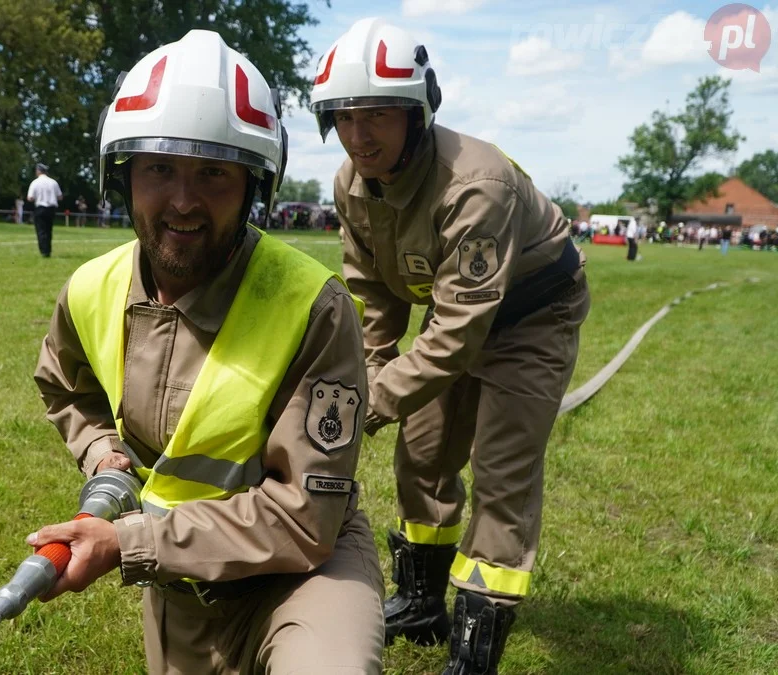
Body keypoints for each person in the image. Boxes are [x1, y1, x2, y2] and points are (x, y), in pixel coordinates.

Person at [29, 30, 385, 674]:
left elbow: (306, 519)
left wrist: (127, 541)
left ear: (254, 187)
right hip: (183, 587)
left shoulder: (312, 306)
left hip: (305, 574)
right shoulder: (91, 290)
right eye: (160, 168)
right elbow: (64, 387)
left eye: (214, 173)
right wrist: (105, 457)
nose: (184, 202)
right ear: (125, 176)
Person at [310, 19, 591, 673]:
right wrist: (368, 373)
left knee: (503, 474)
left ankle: (476, 645)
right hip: (454, 308)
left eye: (377, 114)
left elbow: (460, 334)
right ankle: (420, 601)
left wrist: (370, 403)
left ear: (418, 110)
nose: (358, 136)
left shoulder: (477, 184)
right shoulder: (350, 184)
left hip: (532, 316)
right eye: (343, 117)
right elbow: (373, 295)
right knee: (423, 454)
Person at [27, 163, 63, 257]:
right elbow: (60, 197)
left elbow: (30, 197)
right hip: (51, 209)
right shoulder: (53, 182)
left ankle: (44, 251)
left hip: (40, 208)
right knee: (48, 230)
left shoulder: (35, 182)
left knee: (41, 230)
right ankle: (48, 250)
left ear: (38, 171)